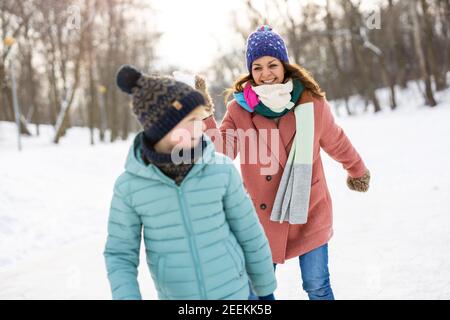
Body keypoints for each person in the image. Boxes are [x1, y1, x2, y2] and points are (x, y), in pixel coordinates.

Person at [202, 25, 371, 300]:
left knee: (317, 285)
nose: (265, 74)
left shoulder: (310, 103)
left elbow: (336, 140)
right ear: (250, 71)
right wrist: (205, 116)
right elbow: (219, 153)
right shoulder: (239, 110)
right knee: (256, 291)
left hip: (309, 207)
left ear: (284, 65)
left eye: (272, 64)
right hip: (260, 217)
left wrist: (357, 170)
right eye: (257, 67)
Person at [103, 64, 277, 300]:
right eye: (191, 119)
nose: (200, 126)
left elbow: (250, 233)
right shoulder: (130, 187)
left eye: (201, 118)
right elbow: (120, 254)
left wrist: (265, 290)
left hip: (236, 294)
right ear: (161, 126)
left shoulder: (221, 170)